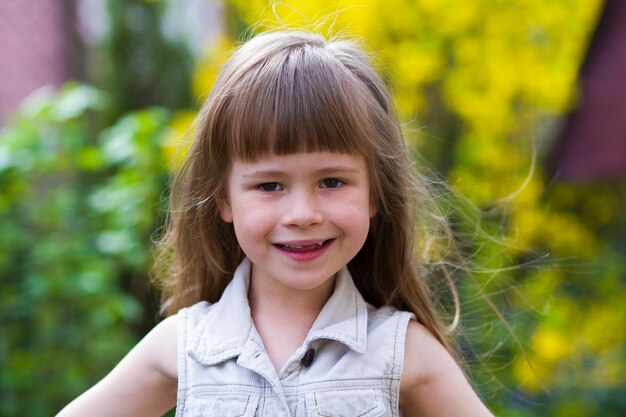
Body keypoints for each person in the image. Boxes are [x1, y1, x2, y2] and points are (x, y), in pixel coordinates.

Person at [58, 30, 495, 417]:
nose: (303, 214)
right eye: (269, 185)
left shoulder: (402, 351)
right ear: (224, 198)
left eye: (331, 181)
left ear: (375, 194)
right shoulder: (185, 347)